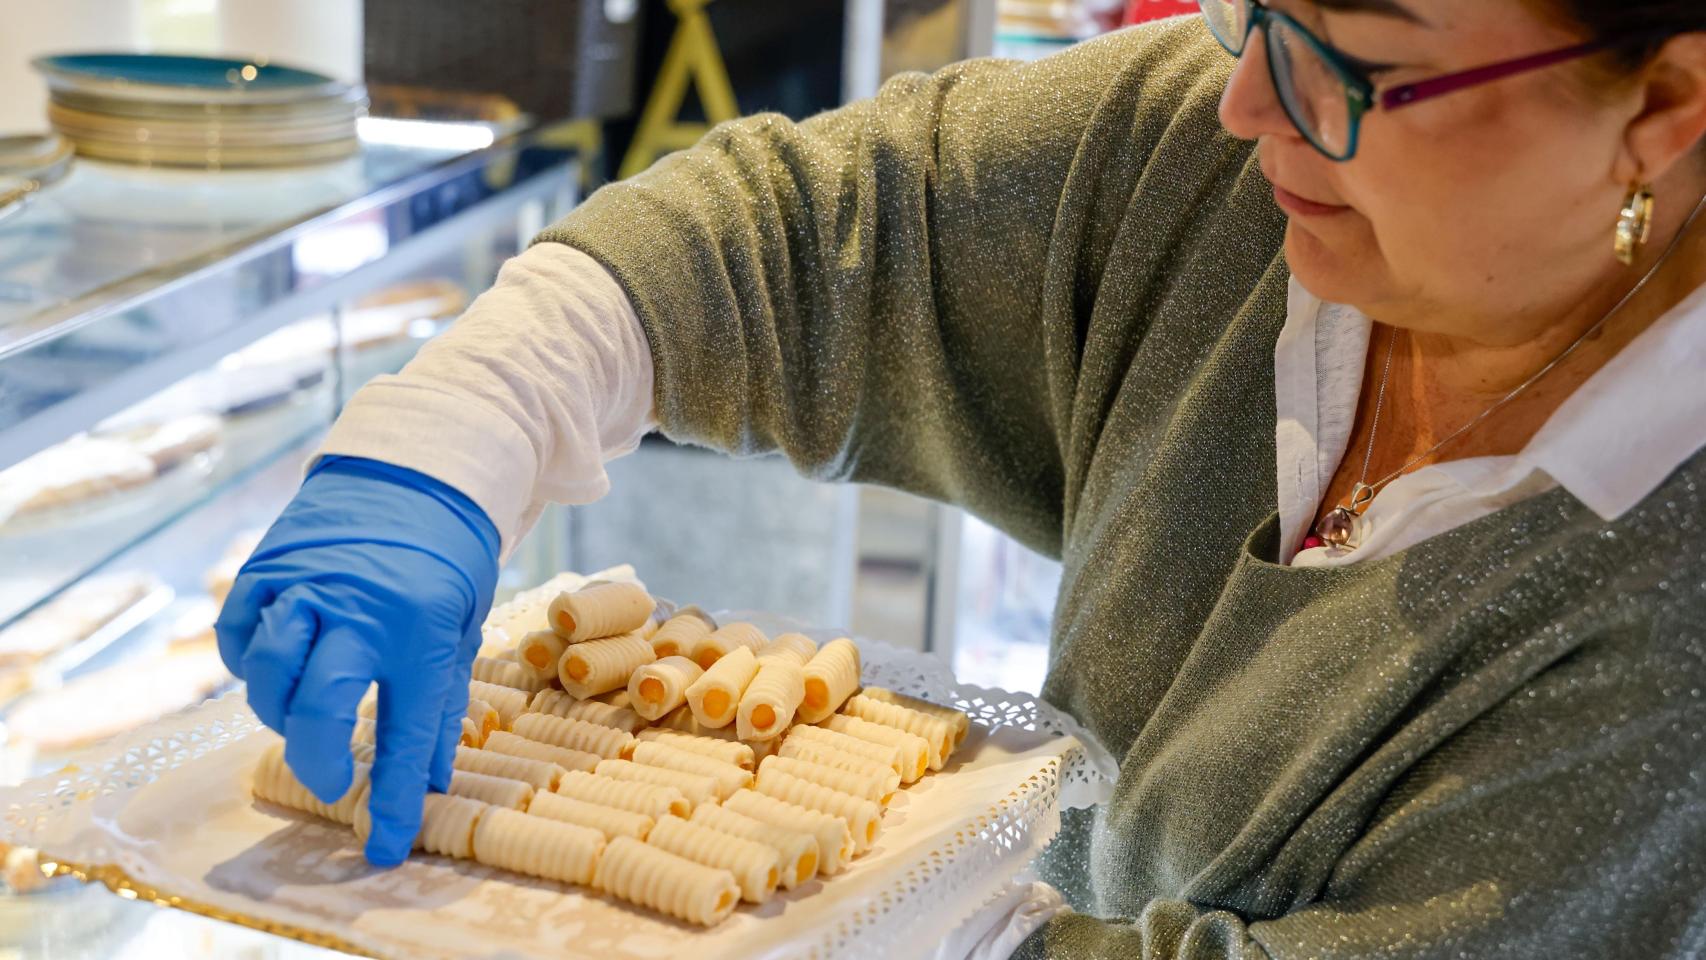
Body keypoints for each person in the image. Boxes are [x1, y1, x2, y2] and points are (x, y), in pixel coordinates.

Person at [216, 1, 1706, 956]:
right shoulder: (1236, 160)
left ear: (1667, 104)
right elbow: (786, 231)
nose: (1245, 100)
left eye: (1345, 59)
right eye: (1251, 6)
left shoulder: (1667, 617)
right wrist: (437, 460)